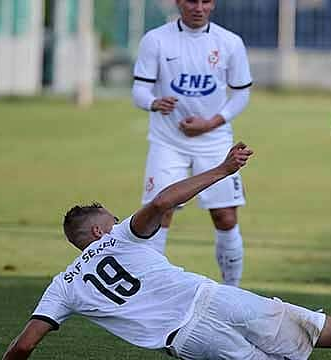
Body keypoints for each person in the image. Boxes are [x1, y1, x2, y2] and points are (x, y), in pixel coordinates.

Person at [2, 143, 331, 360]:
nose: (114, 224)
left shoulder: (61, 287)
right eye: (107, 220)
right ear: (94, 233)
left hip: (186, 341)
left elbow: (24, 346)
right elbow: (164, 200)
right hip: (215, 300)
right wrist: (221, 169)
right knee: (327, 329)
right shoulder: (120, 237)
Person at [131, 0, 252, 287]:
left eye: (205, 1)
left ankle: (232, 290)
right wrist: (153, 102)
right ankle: (152, 288)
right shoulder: (156, 39)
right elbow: (139, 89)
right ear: (178, 3)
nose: (198, 7)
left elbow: (241, 95)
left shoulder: (230, 42)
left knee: (224, 216)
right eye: (191, 0)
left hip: (214, 143)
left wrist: (211, 122)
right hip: (167, 141)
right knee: (159, 211)